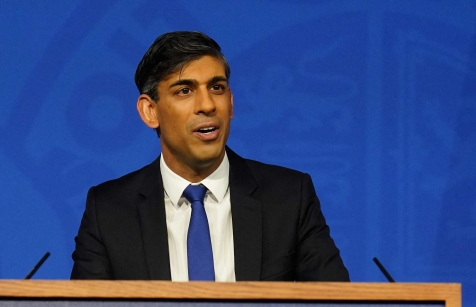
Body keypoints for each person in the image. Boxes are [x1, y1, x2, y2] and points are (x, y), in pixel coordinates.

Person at [70, 31, 349, 282]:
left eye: (217, 88)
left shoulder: (288, 197)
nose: (207, 105)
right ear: (150, 111)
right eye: (185, 91)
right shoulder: (108, 211)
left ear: (231, 103)